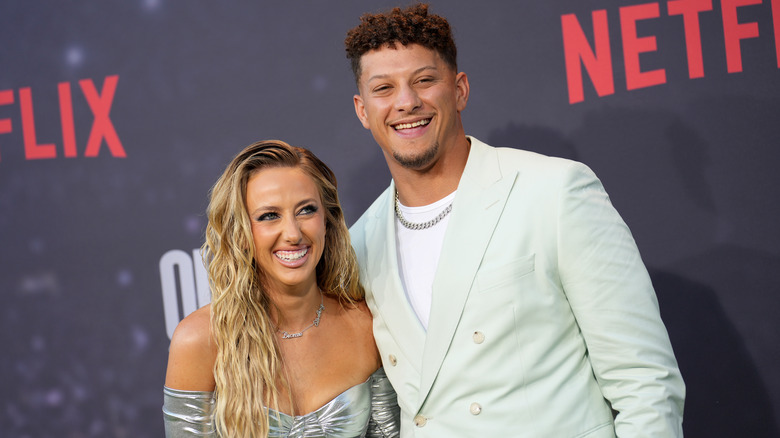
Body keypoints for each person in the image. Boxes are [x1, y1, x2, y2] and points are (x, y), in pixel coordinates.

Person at [345, 4, 685, 437]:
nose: (406, 102)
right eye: (384, 88)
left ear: (460, 89)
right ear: (362, 110)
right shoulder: (359, 245)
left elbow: (646, 382)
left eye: (424, 80)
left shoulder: (554, 192)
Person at [163, 140, 400, 437]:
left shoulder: (364, 325)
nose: (292, 233)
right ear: (241, 233)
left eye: (306, 210)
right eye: (269, 216)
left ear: (327, 220)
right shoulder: (199, 341)